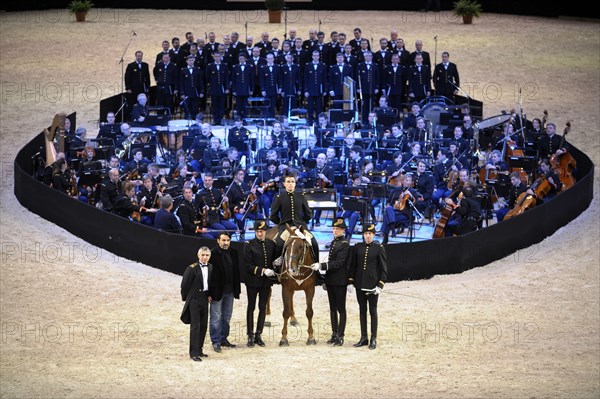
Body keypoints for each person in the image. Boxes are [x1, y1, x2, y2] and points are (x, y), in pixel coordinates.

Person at [311, 217, 351, 346]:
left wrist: (321, 266)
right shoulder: (334, 243)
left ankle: (341, 335)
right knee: (332, 309)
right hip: (331, 280)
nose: (335, 231)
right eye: (334, 229)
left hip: (340, 281)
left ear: (343, 230)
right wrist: (325, 280)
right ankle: (334, 333)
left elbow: (339, 263)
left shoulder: (345, 244)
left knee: (341, 309)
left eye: (337, 229)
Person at [349, 223, 387, 350]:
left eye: (370, 234)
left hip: (372, 286)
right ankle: (364, 337)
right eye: (365, 234)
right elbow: (353, 266)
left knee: (373, 311)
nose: (367, 236)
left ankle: (373, 338)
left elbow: (383, 269)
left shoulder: (378, 248)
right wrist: (351, 281)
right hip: (360, 284)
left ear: (374, 235)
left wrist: (380, 285)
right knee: (362, 311)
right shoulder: (358, 247)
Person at [269, 169, 320, 258]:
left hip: (301, 227)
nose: (290, 184)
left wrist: (301, 222)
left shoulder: (301, 196)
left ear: (295, 183)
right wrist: (281, 223)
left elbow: (308, 214)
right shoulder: (279, 197)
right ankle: (277, 267)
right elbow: (273, 216)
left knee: (314, 244)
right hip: (285, 227)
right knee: (279, 245)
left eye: (292, 182)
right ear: (284, 184)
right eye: (288, 182)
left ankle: (316, 268)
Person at [243, 219, 277, 347]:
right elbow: (247, 265)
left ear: (265, 231)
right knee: (251, 307)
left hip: (265, 283)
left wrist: (276, 264)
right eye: (258, 231)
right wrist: (263, 270)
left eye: (262, 231)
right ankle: (250, 335)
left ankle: (258, 334)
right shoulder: (249, 244)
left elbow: (274, 258)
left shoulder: (270, 244)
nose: (260, 234)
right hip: (252, 281)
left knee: (262, 308)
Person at [208, 233, 241, 353]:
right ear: (218, 241)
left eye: (228, 240)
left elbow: (236, 272)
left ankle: (223, 339)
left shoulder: (234, 253)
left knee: (226, 317)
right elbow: (209, 276)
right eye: (223, 240)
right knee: (215, 317)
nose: (226, 242)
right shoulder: (213, 254)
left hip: (230, 291)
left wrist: (237, 290)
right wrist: (209, 293)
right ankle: (215, 341)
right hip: (217, 291)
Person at [180, 246, 212, 361]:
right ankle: (193, 353)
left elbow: (210, 283)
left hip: (204, 299)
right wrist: (186, 298)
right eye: (203, 255)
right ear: (198, 256)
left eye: (207, 255)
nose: (204, 257)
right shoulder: (192, 268)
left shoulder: (211, 267)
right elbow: (184, 285)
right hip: (194, 299)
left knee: (203, 325)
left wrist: (209, 295)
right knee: (195, 326)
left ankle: (199, 349)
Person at [179, 55, 204, 120]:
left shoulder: (198, 70)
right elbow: (181, 83)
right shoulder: (183, 70)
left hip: (195, 92)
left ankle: (194, 121)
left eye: (192, 60)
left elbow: (201, 81)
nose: (191, 62)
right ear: (187, 61)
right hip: (186, 92)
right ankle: (187, 122)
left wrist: (201, 91)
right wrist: (182, 93)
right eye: (189, 60)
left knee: (195, 108)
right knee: (187, 108)